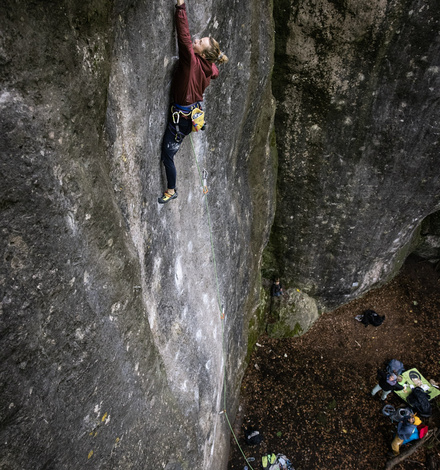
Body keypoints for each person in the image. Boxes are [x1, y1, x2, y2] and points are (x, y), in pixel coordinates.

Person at [158, 0, 228, 204]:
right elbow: (213, 70)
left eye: (200, 43)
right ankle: (200, 123)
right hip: (194, 110)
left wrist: (181, 6)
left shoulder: (191, 62)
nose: (196, 40)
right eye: (201, 39)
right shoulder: (210, 68)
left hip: (182, 119)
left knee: (167, 155)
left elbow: (184, 35)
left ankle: (171, 190)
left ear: (202, 54)